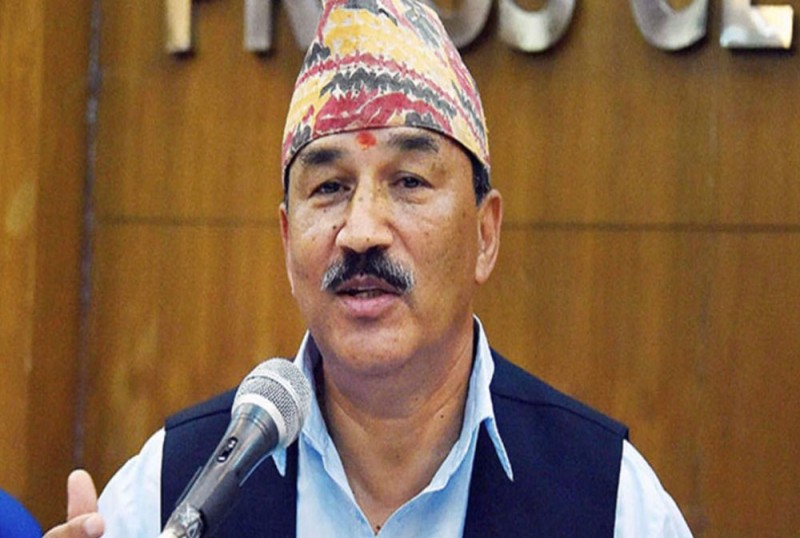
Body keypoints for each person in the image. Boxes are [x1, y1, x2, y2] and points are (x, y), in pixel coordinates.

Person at [46, 0, 693, 536]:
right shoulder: (170, 493)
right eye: (329, 188)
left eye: (409, 181)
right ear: (286, 239)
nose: (360, 232)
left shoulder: (610, 501)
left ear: (485, 234)